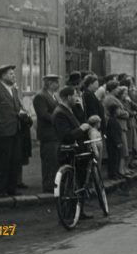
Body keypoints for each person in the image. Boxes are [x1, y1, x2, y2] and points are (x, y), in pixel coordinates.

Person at [0, 64, 30, 198]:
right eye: (11, 73)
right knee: (2, 162)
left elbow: (16, 108)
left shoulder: (14, 90)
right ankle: (1, 191)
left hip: (15, 130)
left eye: (13, 73)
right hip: (2, 132)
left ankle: (12, 189)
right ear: (3, 76)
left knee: (14, 160)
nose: (14, 75)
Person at [52, 86, 93, 219]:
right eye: (75, 96)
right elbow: (66, 136)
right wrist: (81, 129)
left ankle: (78, 211)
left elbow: (82, 118)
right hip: (68, 152)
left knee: (79, 181)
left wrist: (80, 107)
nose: (77, 98)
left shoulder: (69, 109)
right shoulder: (60, 113)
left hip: (76, 151)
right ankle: (70, 213)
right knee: (71, 183)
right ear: (68, 97)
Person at [33, 74, 61, 193]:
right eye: (56, 82)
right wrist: (58, 119)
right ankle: (48, 185)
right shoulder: (41, 96)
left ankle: (53, 183)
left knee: (54, 160)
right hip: (47, 133)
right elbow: (43, 114)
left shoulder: (53, 96)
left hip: (54, 133)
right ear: (49, 83)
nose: (58, 85)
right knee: (49, 160)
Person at [105, 102, 123, 180]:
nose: (120, 111)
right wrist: (117, 142)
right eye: (118, 109)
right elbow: (113, 133)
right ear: (115, 111)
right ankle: (112, 174)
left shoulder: (114, 120)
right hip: (113, 144)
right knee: (113, 159)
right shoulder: (112, 120)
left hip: (115, 143)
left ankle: (116, 172)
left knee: (117, 158)